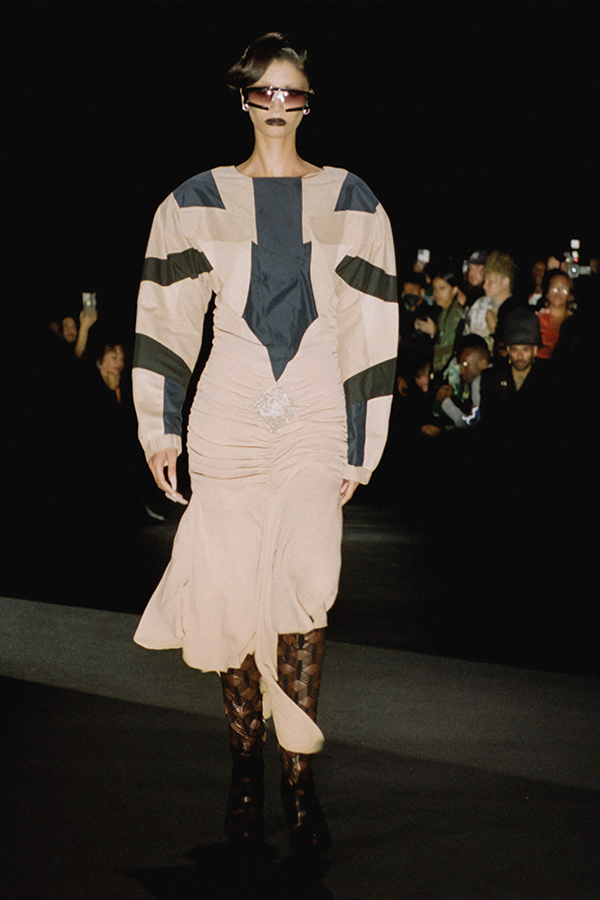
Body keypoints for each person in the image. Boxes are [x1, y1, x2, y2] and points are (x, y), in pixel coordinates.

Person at [131, 33, 398, 854]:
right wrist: (158, 426)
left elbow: (372, 324)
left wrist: (364, 441)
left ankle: (297, 778)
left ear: (310, 101)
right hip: (228, 413)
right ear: (242, 97)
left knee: (304, 595)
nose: (278, 105)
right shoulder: (194, 201)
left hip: (314, 410)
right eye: (264, 91)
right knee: (231, 597)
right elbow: (167, 315)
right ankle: (246, 772)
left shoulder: (353, 200)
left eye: (293, 92)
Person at [536, 269, 575, 360]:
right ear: (547, 293)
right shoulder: (536, 319)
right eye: (554, 288)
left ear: (570, 295)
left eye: (564, 289)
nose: (558, 293)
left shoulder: (575, 322)